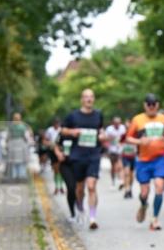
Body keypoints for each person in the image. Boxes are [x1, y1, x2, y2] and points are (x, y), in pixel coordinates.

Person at [60, 89, 105, 229]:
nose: (89, 99)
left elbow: (101, 130)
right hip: (77, 156)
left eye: (91, 97)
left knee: (91, 186)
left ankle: (92, 217)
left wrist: (102, 136)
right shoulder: (73, 116)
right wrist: (72, 132)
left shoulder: (98, 115)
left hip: (93, 155)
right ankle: (80, 208)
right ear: (82, 99)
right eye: (86, 97)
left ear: (94, 99)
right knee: (79, 188)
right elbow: (62, 130)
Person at [127, 94, 164, 231]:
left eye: (154, 104)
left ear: (158, 105)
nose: (151, 106)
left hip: (159, 159)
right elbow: (128, 138)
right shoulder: (138, 119)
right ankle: (144, 205)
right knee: (144, 193)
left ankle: (155, 219)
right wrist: (140, 141)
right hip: (143, 161)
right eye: (149, 104)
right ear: (144, 105)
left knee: (159, 186)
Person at [6, 112, 32, 181]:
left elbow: (8, 136)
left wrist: (7, 144)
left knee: (14, 161)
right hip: (21, 143)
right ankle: (21, 175)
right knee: (22, 161)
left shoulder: (11, 126)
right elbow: (26, 136)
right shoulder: (23, 126)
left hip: (13, 143)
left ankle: (14, 176)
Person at [104, 116, 127, 188]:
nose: (117, 124)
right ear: (113, 123)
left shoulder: (123, 128)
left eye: (119, 123)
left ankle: (121, 180)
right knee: (113, 167)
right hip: (112, 150)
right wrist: (107, 145)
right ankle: (113, 180)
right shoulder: (109, 129)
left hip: (120, 150)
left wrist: (123, 143)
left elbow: (126, 138)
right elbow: (104, 139)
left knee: (120, 165)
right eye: (116, 123)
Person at [45, 118, 64, 194]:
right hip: (52, 151)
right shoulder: (50, 130)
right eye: (55, 124)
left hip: (60, 150)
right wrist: (50, 144)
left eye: (58, 124)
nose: (56, 125)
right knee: (56, 170)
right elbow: (46, 140)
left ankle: (61, 186)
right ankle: (56, 186)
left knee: (61, 170)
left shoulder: (61, 130)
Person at [120, 116, 136, 198]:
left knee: (131, 174)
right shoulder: (123, 135)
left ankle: (130, 189)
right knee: (126, 173)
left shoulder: (136, 134)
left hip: (133, 157)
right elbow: (120, 143)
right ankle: (126, 190)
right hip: (125, 156)